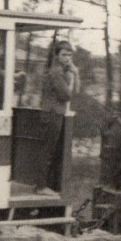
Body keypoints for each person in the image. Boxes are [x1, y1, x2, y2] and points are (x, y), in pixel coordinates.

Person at [35, 40, 80, 196]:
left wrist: (75, 73)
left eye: (70, 55)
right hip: (52, 114)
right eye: (64, 55)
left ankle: (43, 185)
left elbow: (76, 91)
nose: (67, 58)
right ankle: (41, 187)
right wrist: (72, 75)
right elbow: (67, 95)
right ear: (56, 56)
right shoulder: (56, 72)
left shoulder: (61, 72)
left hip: (55, 113)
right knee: (47, 150)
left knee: (50, 150)